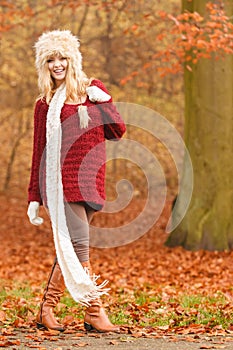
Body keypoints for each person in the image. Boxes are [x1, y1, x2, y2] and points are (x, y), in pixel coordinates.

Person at [27, 30, 126, 333]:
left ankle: (47, 307)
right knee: (81, 246)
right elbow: (39, 152)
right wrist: (34, 196)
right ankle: (94, 312)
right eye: (51, 60)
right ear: (44, 65)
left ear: (73, 60)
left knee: (68, 249)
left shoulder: (91, 91)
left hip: (92, 182)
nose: (58, 64)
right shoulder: (44, 104)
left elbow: (118, 130)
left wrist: (104, 100)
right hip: (63, 185)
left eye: (63, 58)